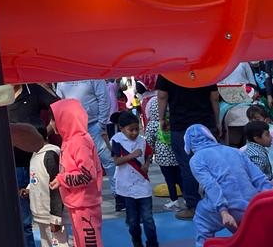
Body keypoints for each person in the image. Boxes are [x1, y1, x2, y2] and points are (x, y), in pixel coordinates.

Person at [184, 124, 273, 247]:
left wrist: (223, 211)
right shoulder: (235, 151)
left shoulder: (196, 159)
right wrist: (272, 199)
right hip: (252, 206)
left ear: (189, 145)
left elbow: (211, 185)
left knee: (201, 218)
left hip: (229, 208)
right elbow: (259, 178)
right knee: (243, 230)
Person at [155, 75, 220, 220]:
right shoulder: (204, 67)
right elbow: (214, 96)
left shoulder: (167, 70)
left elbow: (162, 96)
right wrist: (217, 122)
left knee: (187, 166)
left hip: (180, 124)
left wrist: (161, 119)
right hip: (205, 123)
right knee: (211, 164)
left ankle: (193, 206)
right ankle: (217, 202)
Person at [7, 83, 58, 247]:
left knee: (49, 213)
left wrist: (46, 131)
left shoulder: (33, 89)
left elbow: (59, 107)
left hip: (39, 160)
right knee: (23, 220)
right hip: (14, 163)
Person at [48, 98, 104, 247]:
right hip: (77, 203)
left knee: (89, 242)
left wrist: (62, 179)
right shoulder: (69, 140)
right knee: (81, 241)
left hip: (85, 204)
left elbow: (87, 175)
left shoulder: (79, 141)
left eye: (54, 120)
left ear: (65, 119)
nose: (51, 124)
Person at [55, 79, 118, 206]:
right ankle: (82, 197)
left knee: (107, 160)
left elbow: (104, 99)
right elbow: (60, 102)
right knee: (78, 165)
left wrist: (101, 123)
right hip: (73, 129)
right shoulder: (62, 79)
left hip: (93, 125)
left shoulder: (93, 76)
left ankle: (119, 194)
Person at [110, 111, 159, 247]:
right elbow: (117, 161)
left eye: (137, 129)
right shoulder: (117, 140)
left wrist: (147, 164)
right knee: (133, 220)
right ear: (122, 129)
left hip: (142, 184)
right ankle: (137, 242)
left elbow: (148, 154)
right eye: (131, 130)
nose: (135, 132)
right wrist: (132, 155)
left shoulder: (142, 140)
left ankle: (153, 243)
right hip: (127, 186)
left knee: (148, 218)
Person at [28, 126, 67, 247]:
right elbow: (38, 176)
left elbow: (56, 187)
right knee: (46, 243)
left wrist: (56, 217)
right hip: (40, 213)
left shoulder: (50, 155)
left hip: (51, 214)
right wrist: (29, 189)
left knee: (59, 243)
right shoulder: (35, 154)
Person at [144, 93, 182, 211]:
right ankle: (187, 198)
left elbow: (149, 141)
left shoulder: (152, 125)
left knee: (169, 179)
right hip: (176, 156)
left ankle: (174, 200)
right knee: (180, 178)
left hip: (163, 159)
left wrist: (150, 154)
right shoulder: (172, 122)